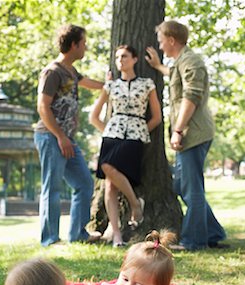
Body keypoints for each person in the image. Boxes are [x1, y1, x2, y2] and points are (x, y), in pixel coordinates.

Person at [145, 20, 227, 250]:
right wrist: (159, 66)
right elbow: (175, 75)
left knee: (192, 190)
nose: (160, 46)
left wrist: (178, 130)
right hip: (191, 133)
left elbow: (191, 97)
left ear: (172, 40)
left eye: (161, 41)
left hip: (194, 134)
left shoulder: (191, 60)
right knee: (182, 186)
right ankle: (213, 232)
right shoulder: (182, 61)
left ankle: (194, 241)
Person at [34, 24, 104, 247]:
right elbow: (43, 107)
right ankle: (50, 238)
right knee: (51, 187)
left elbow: (90, 84)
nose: (85, 47)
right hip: (51, 137)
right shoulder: (53, 71)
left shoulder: (71, 72)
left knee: (84, 182)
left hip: (67, 139)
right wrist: (60, 137)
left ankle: (78, 233)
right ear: (73, 45)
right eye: (83, 43)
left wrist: (113, 84)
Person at [90, 45, 162, 247]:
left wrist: (140, 129)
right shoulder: (110, 86)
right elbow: (93, 117)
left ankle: (134, 204)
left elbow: (157, 117)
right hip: (112, 135)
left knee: (108, 169)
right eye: (118, 57)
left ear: (135, 59)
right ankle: (118, 235)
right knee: (109, 183)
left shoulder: (147, 84)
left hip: (135, 135)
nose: (120, 60)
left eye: (125, 56)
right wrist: (108, 129)